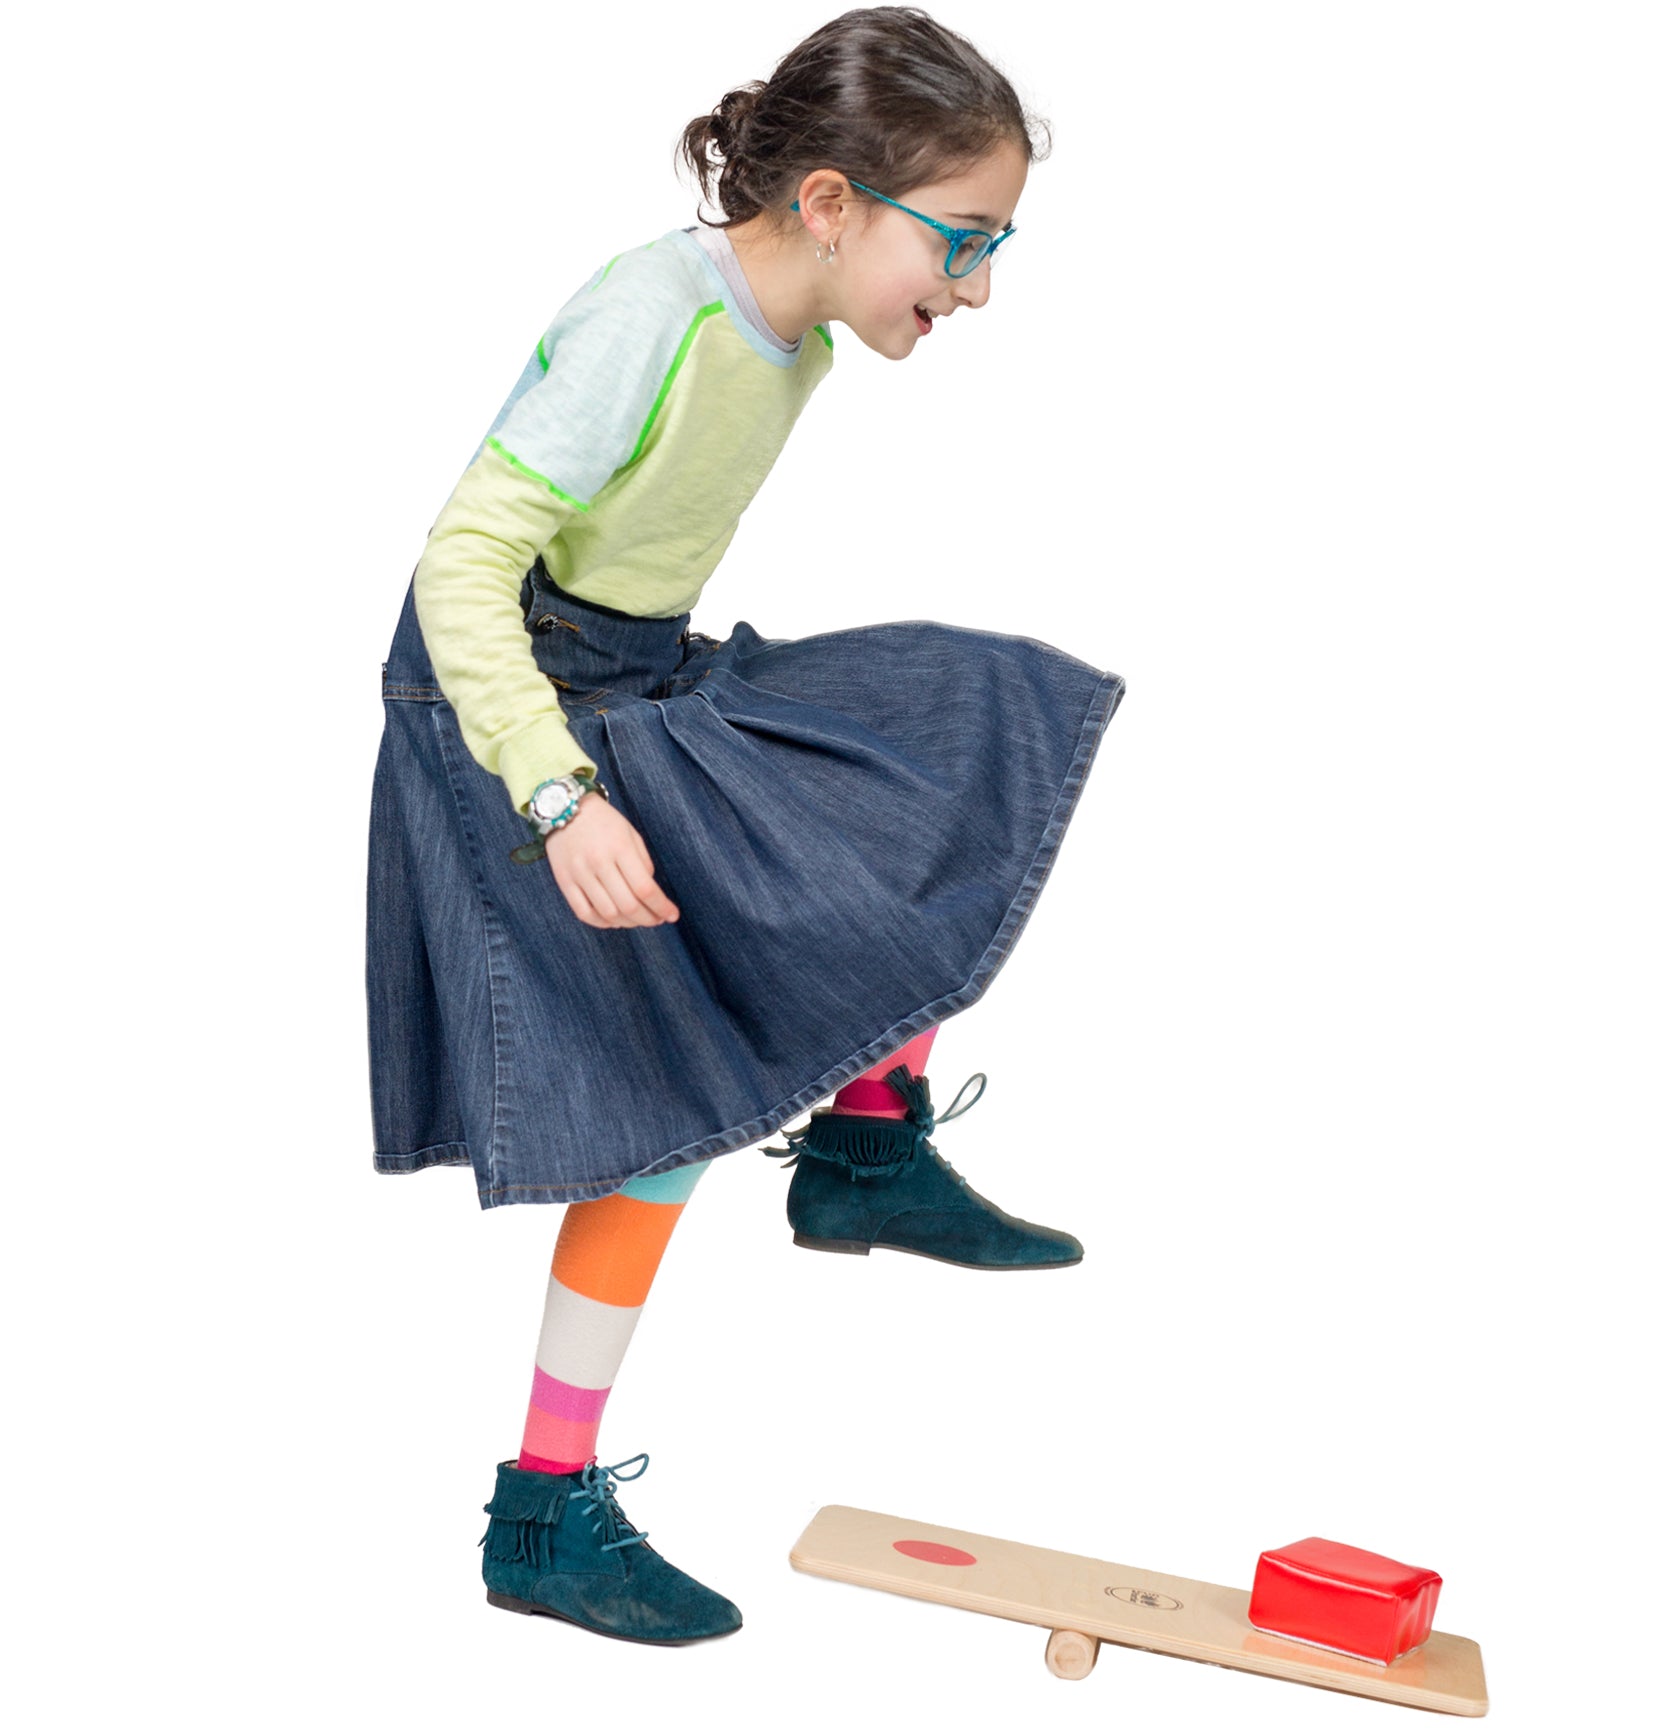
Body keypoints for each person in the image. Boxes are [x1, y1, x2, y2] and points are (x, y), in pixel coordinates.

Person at [365, 5, 1125, 1646]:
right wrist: (557, 795)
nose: (980, 287)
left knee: (947, 740)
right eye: (966, 240)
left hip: (629, 669)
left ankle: (860, 1147)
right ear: (834, 200)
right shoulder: (654, 311)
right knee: (669, 1108)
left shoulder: (807, 336)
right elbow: (462, 566)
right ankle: (542, 1520)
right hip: (503, 707)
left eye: (1001, 245)